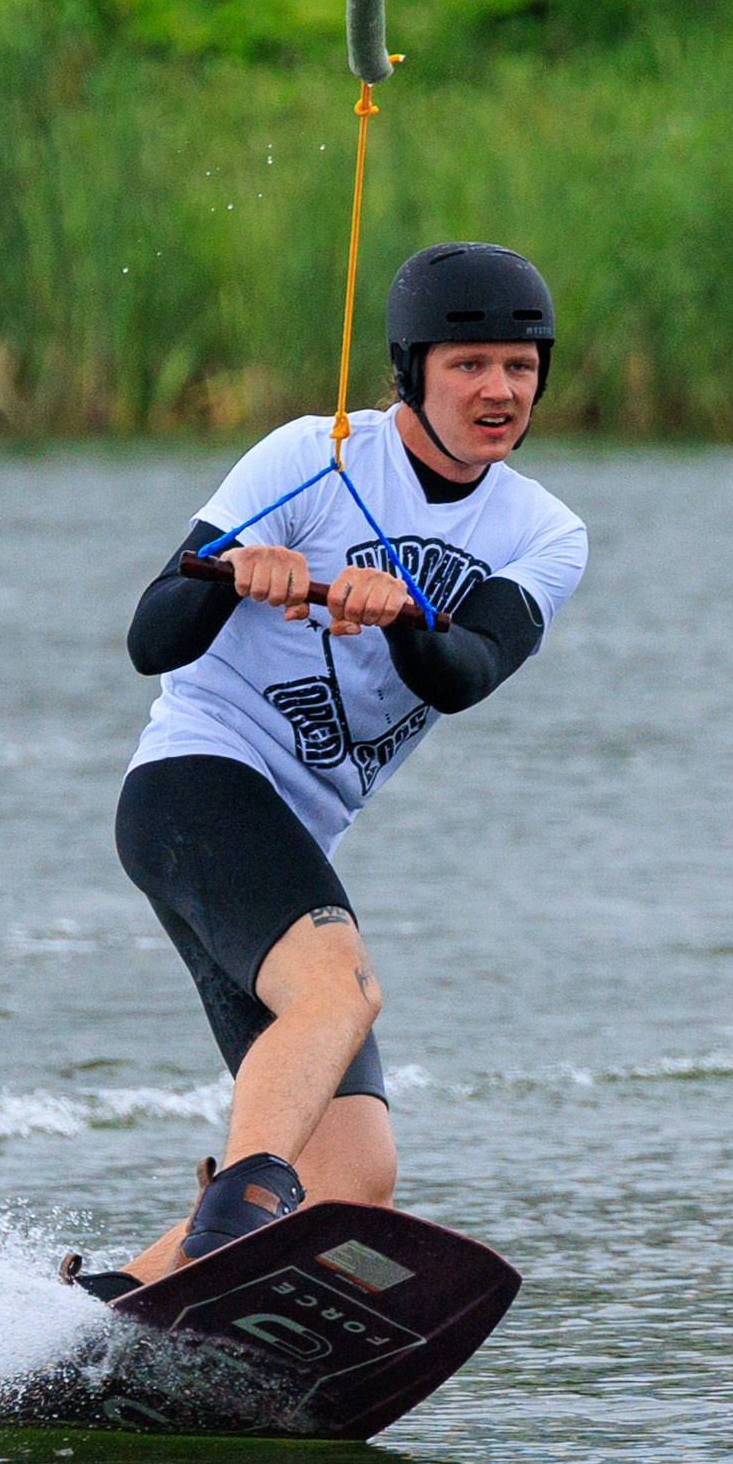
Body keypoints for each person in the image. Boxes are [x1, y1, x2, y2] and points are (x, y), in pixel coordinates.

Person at [74, 243, 585, 1287]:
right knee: (341, 989)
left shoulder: (543, 531)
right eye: (470, 364)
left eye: (520, 367)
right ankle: (235, 1216)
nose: (498, 390)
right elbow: (151, 635)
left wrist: (400, 616)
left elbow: (466, 669)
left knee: (352, 1175)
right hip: (194, 786)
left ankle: (110, 1311)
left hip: (283, 838)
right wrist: (230, 574)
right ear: (412, 371)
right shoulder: (312, 455)